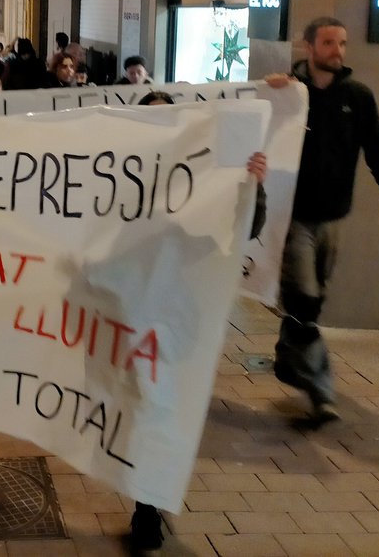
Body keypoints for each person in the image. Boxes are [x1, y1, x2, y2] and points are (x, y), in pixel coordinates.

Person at [127, 88, 268, 554]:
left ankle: (149, 502)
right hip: (131, 307)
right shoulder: (120, 170)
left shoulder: (206, 170)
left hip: (180, 311)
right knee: (147, 406)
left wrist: (253, 186)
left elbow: (247, 226)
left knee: (162, 407)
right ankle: (146, 503)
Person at [267, 16, 379, 425]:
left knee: (311, 301)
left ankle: (287, 353)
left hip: (333, 218)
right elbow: (251, 131)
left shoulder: (358, 98)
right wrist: (268, 93)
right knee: (305, 298)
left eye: (343, 43)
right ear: (309, 46)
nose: (338, 50)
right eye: (329, 42)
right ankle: (321, 391)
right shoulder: (288, 93)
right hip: (294, 216)